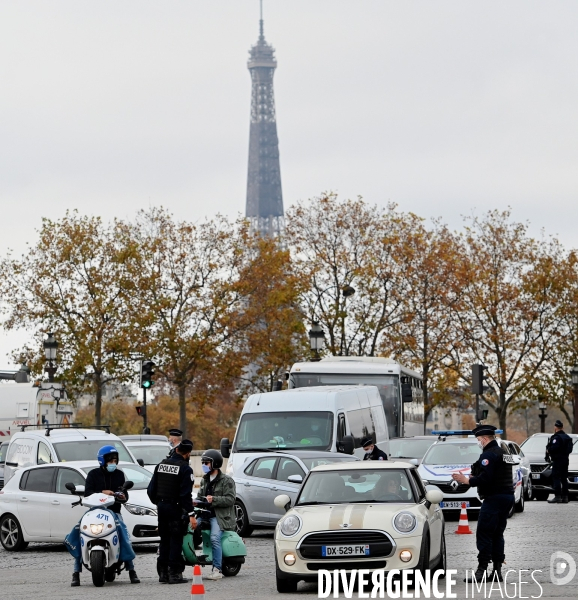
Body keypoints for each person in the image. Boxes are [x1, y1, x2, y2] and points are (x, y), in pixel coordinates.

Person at [452, 424, 514, 583]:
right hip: (507, 497)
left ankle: (481, 571)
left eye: (479, 440)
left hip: (494, 499)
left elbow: (486, 479)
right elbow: (497, 474)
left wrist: (467, 480)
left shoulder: (488, 455)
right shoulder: (503, 452)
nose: (478, 442)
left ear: (485, 439)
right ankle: (497, 571)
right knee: (497, 534)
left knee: (484, 534)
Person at [71, 445, 140, 587]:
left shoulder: (119, 475)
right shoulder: (93, 474)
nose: (113, 463)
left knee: (125, 535)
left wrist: (121, 494)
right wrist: (103, 492)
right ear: (102, 460)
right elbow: (88, 493)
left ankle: (131, 570)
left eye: (115, 460)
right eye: (110, 460)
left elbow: (124, 494)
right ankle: (76, 572)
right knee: (78, 533)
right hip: (93, 512)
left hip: (113, 512)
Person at [147, 439, 197, 584]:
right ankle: (174, 574)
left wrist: (160, 502)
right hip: (175, 509)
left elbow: (151, 490)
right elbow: (185, 495)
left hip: (162, 508)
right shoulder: (185, 469)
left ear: (176, 450)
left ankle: (163, 573)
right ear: (188, 454)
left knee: (164, 540)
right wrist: (191, 514)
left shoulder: (161, 465)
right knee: (176, 540)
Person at [196, 449, 236, 580]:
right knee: (187, 529)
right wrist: (195, 502)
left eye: (206, 462)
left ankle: (217, 569)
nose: (204, 465)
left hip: (219, 517)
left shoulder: (227, 480)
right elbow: (200, 497)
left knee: (214, 538)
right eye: (203, 462)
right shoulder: (204, 480)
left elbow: (231, 499)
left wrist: (214, 499)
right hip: (204, 515)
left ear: (215, 464)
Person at [546, 420, 573, 504]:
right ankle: (565, 497)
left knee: (556, 477)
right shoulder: (567, 437)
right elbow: (570, 449)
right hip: (565, 460)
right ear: (562, 427)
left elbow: (554, 447)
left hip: (558, 460)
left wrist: (549, 450)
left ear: (555, 427)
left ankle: (557, 496)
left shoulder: (556, 437)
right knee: (564, 478)